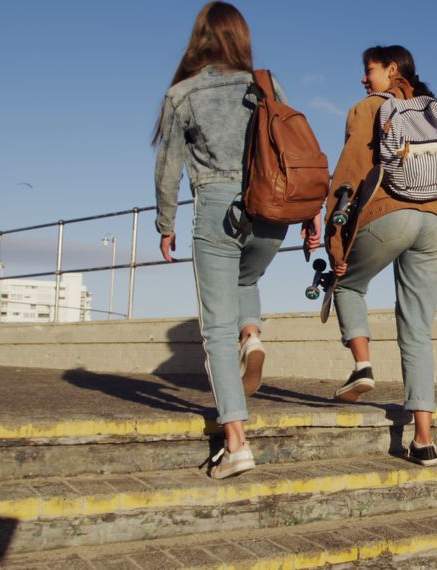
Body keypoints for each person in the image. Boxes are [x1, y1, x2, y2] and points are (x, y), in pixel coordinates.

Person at [153, 1, 307, 479]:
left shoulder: (183, 93)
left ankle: (237, 442)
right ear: (241, 38)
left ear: (199, 38)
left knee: (215, 329)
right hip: (272, 206)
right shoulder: (266, 84)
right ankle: (254, 334)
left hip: (216, 206)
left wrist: (165, 225)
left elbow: (168, 171)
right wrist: (309, 214)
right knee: (248, 275)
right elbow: (293, 148)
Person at [324, 45, 437, 466]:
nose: (364, 79)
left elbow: (347, 177)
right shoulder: (434, 113)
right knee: (417, 329)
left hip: (389, 216)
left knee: (346, 283)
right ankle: (423, 439)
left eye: (369, 70)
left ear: (391, 70)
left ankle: (363, 366)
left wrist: (335, 245)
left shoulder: (367, 109)